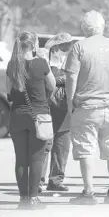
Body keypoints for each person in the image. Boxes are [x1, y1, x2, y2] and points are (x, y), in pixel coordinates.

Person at [64, 10, 109, 205]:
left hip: (86, 106)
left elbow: (71, 76)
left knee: (86, 149)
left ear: (84, 28)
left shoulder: (79, 47)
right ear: (102, 27)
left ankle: (89, 192)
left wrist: (70, 102)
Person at [6, 31, 56, 210]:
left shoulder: (12, 65)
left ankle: (23, 199)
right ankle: (33, 199)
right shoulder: (41, 63)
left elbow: (9, 94)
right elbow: (52, 85)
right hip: (39, 116)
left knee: (21, 159)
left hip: (17, 116)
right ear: (34, 45)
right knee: (36, 159)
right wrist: (46, 64)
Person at [40, 33, 75, 192]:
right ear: (54, 47)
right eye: (63, 46)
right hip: (46, 105)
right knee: (44, 143)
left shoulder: (71, 59)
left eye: (69, 46)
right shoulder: (43, 58)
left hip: (65, 106)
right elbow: (44, 79)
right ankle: (38, 180)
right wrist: (64, 79)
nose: (66, 49)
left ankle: (56, 180)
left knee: (62, 145)